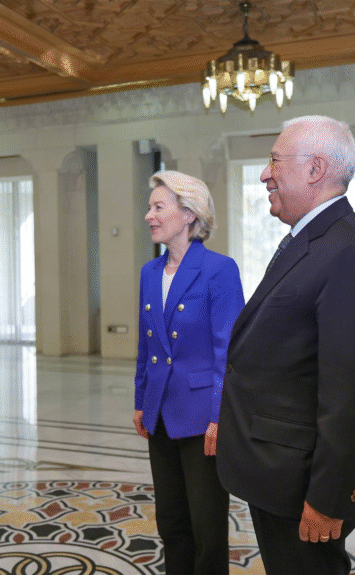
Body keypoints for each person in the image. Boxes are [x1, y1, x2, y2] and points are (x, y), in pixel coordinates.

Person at [217, 115, 355, 574]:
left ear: (315, 169)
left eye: (275, 160)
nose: (264, 174)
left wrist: (327, 498)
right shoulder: (311, 239)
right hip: (279, 472)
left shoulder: (349, 250)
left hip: (304, 483)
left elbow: (351, 393)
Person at [133, 170, 244, 575]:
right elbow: (147, 346)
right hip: (160, 413)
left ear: (189, 214)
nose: (149, 215)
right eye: (150, 207)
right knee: (172, 522)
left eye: (158, 207)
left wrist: (219, 416)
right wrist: (141, 400)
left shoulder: (219, 270)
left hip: (201, 419)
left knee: (206, 529)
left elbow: (228, 354)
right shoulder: (149, 272)